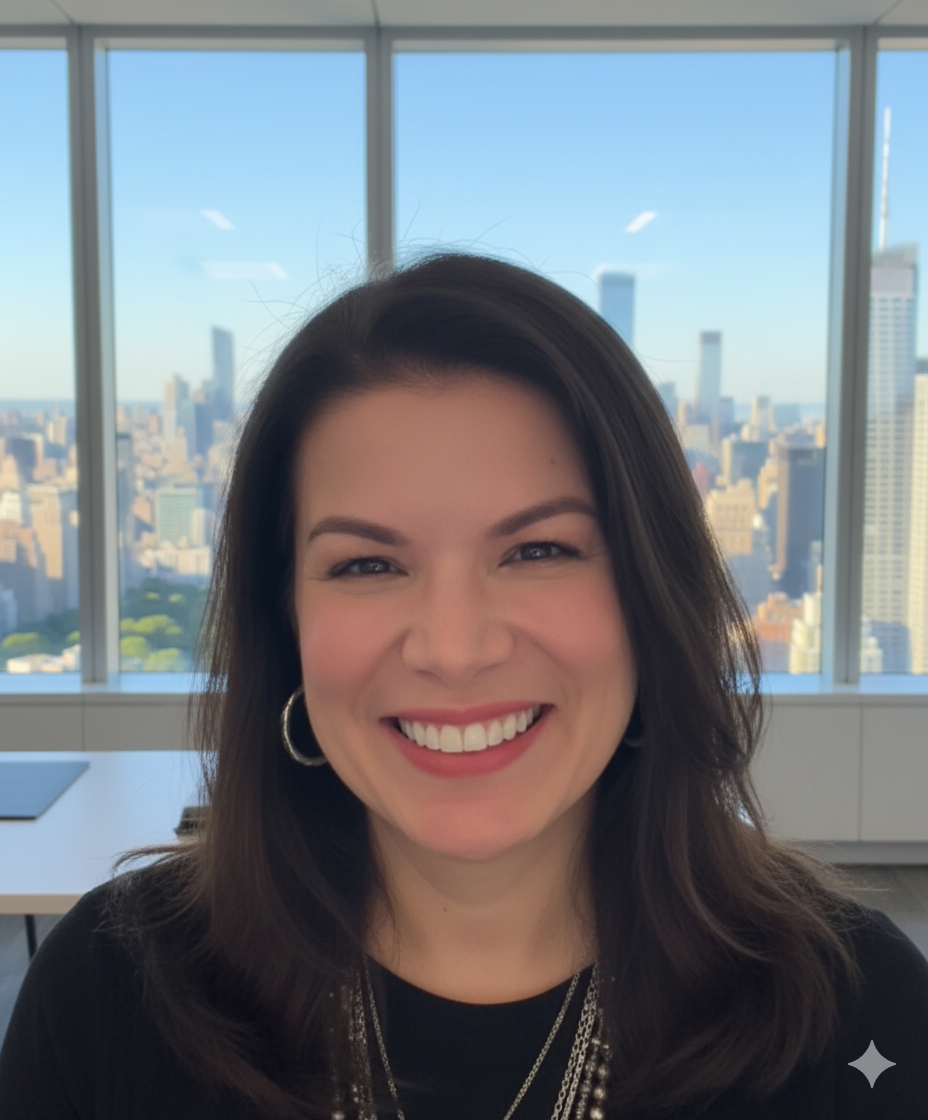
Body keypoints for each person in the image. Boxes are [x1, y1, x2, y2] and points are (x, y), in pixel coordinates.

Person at [1, 252, 927, 1120]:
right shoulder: (113, 995)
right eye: (367, 565)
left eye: (538, 550)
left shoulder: (856, 1017)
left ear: (651, 596)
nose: (454, 648)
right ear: (285, 623)